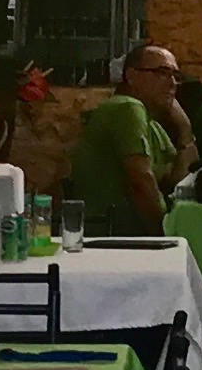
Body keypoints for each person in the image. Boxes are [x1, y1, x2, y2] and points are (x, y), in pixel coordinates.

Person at [67, 43, 193, 237]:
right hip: (113, 238)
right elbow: (141, 183)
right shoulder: (127, 107)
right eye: (162, 73)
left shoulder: (151, 122)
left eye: (176, 76)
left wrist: (185, 128)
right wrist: (165, 235)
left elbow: (181, 183)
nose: (172, 83)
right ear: (132, 76)